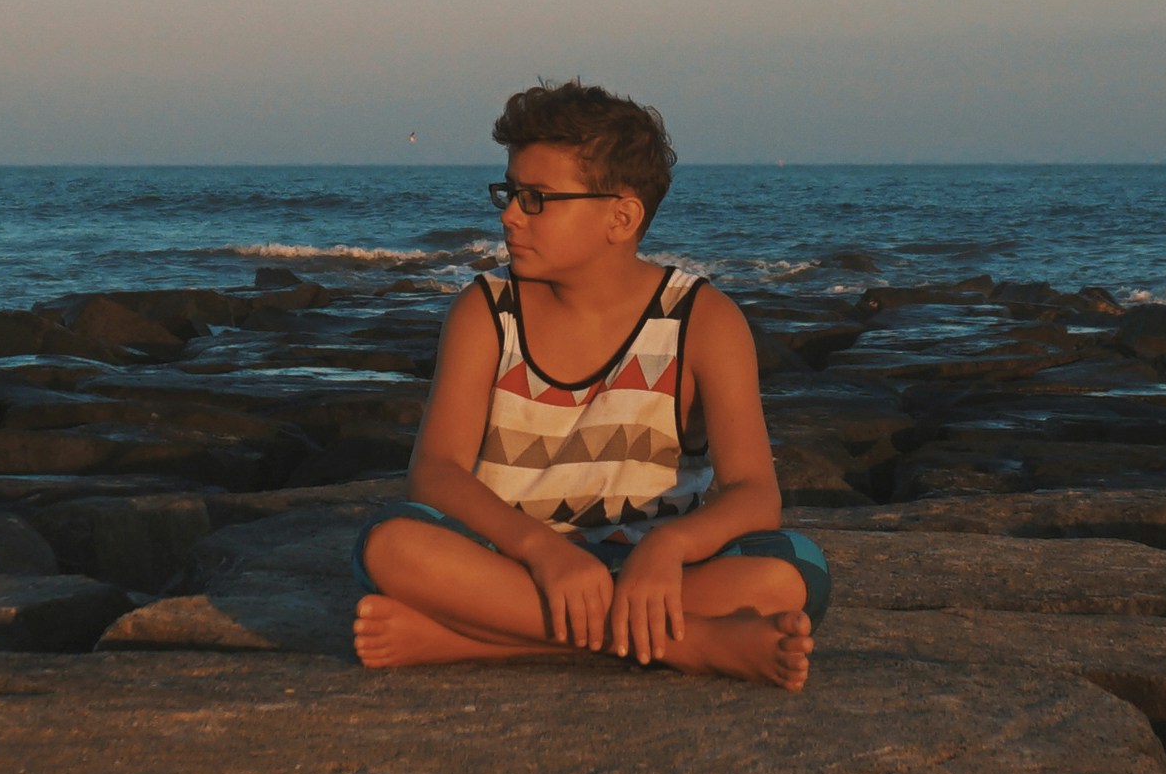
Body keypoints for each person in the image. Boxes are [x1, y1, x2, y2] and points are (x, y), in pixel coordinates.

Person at [351, 78, 829, 688]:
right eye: (510, 192)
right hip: (516, 560)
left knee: (795, 571)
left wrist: (668, 548)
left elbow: (754, 493)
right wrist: (544, 551)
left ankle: (467, 639)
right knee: (391, 543)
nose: (508, 215)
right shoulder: (487, 312)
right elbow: (436, 471)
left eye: (536, 199)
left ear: (622, 216)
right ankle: (692, 644)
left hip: (653, 573)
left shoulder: (703, 321)